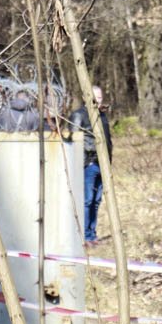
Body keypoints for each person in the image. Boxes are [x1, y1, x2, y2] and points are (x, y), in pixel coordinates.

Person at [68, 85, 113, 246]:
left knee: (96, 200)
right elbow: (73, 140)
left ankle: (92, 234)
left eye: (100, 97)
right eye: (96, 97)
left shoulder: (102, 115)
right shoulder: (78, 115)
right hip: (88, 163)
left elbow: (107, 140)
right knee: (86, 200)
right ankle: (84, 236)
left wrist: (109, 161)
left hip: (103, 164)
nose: (99, 100)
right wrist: (87, 157)